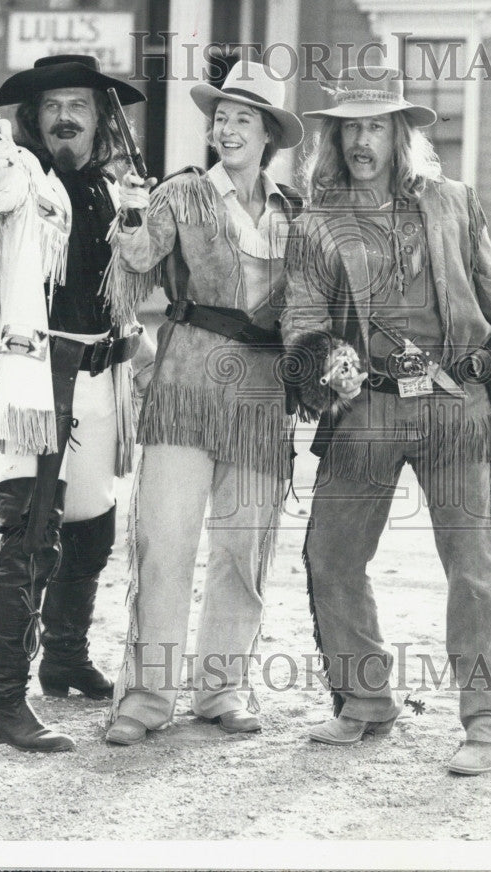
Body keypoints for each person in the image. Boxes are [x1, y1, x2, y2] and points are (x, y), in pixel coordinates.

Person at [281, 66, 491, 775]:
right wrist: (325, 361)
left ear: (400, 133)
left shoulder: (453, 203)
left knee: (472, 570)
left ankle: (490, 721)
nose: (359, 140)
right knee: (331, 558)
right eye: (347, 127)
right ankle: (363, 699)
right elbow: (303, 318)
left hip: (454, 406)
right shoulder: (315, 223)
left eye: (374, 125)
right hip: (365, 406)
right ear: (333, 137)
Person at [103, 60, 304, 746]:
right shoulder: (180, 194)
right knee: (165, 543)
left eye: (242, 117)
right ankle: (146, 696)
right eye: (220, 116)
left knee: (242, 551)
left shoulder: (293, 211)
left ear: (269, 132)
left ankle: (221, 689)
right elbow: (135, 260)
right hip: (185, 384)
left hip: (259, 394)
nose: (226, 127)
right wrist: (129, 208)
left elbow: (312, 308)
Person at [0, 54, 154, 752]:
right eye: (52, 107)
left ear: (101, 117)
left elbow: (126, 284)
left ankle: (66, 658)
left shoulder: (110, 188)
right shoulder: (26, 177)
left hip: (104, 374)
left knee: (91, 531)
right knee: (30, 538)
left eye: (78, 103)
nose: (65, 116)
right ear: (34, 120)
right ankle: (2, 699)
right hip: (44, 375)